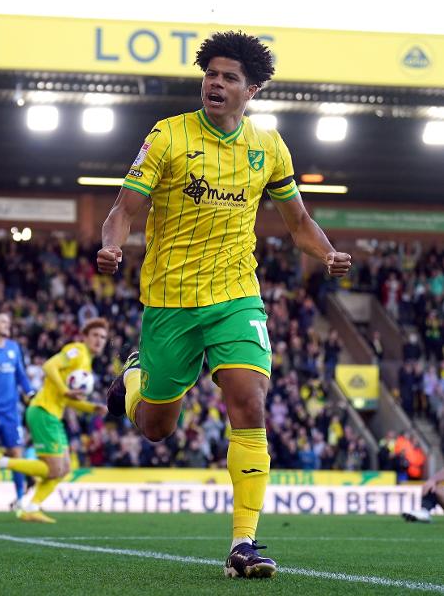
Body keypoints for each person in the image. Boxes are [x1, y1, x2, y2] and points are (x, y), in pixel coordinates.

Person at [97, 31, 351, 579]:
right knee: (157, 428)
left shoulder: (270, 147)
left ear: (251, 90)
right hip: (169, 300)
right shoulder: (167, 136)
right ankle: (137, 377)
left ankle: (244, 544)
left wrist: (327, 254)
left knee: (249, 400)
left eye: (229, 77)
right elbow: (125, 206)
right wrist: (112, 243)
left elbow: (298, 222)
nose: (216, 83)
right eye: (210, 74)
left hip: (236, 294)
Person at [0, 318, 108, 522]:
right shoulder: (76, 351)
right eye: (95, 335)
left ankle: (31, 507)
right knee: (54, 468)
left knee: (64, 469)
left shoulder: (86, 364)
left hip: (53, 415)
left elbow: (68, 399)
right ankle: (0, 461)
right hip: (42, 411)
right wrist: (65, 390)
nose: (99, 340)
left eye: (103, 337)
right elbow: (48, 366)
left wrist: (92, 408)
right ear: (85, 336)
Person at [0, 311, 35, 509]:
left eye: (8, 322)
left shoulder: (13, 348)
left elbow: (21, 375)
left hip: (11, 413)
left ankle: (19, 499)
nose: (6, 325)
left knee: (16, 454)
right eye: (2, 321)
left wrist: (31, 393)